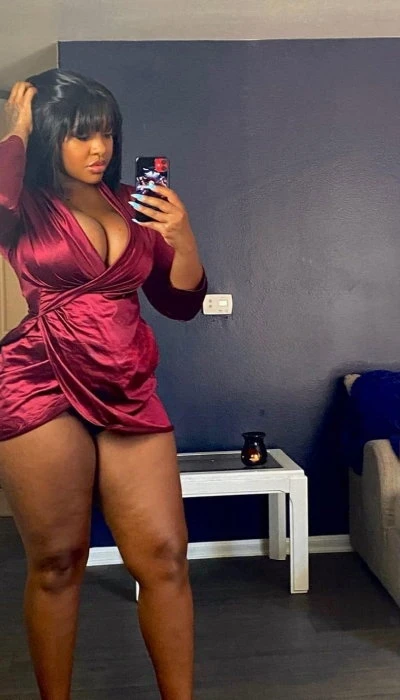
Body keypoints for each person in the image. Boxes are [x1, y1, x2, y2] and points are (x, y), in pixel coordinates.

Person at [0, 69, 207, 700]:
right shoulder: (25, 200)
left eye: (107, 134)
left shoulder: (129, 201)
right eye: (81, 134)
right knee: (58, 562)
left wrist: (183, 237)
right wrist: (15, 132)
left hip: (126, 381)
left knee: (165, 557)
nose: (99, 149)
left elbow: (180, 303)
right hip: (39, 381)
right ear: (49, 134)